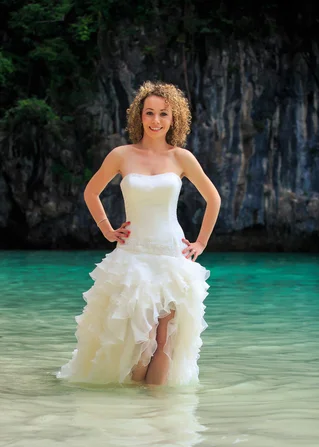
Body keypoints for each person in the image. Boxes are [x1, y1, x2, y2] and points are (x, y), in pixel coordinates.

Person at [57, 81, 221, 386]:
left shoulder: (181, 157)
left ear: (174, 119)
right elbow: (91, 192)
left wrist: (201, 242)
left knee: (164, 340)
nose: (156, 121)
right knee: (140, 340)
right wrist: (108, 230)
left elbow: (214, 199)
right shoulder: (122, 155)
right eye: (150, 113)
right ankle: (133, 414)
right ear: (139, 116)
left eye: (163, 114)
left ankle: (155, 414)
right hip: (133, 256)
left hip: (171, 255)